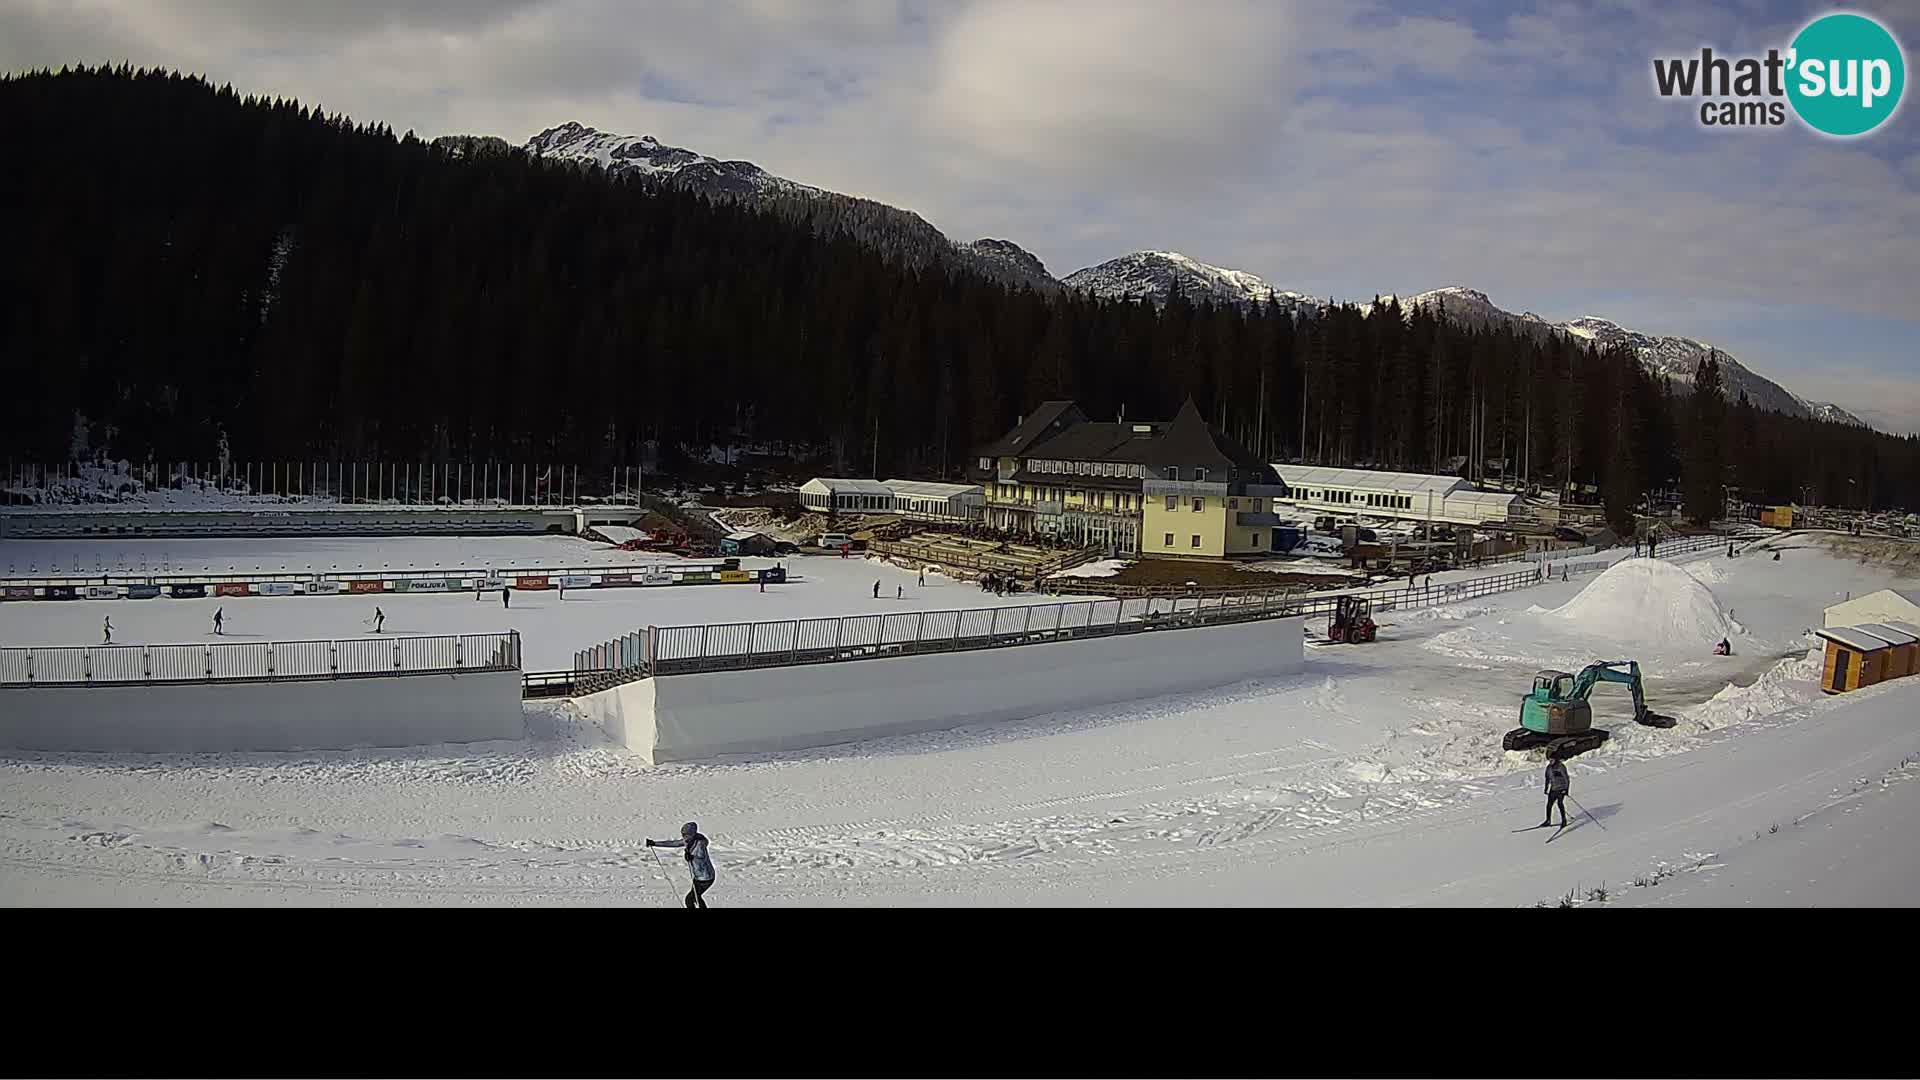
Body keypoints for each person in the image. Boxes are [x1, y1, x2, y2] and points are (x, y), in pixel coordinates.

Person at [646, 822, 716, 909]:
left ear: (692, 834)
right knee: (695, 898)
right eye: (683, 835)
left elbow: (701, 857)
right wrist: (654, 843)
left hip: (706, 878)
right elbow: (674, 843)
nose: (684, 837)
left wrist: (692, 857)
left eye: (686, 835)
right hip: (698, 877)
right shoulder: (689, 841)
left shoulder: (700, 844)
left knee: (690, 899)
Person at [1543, 757, 1571, 828]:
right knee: (1549, 805)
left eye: (1552, 760)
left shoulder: (1561, 766)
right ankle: (1548, 820)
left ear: (1556, 759)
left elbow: (1566, 778)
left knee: (1560, 803)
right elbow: (1547, 778)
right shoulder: (1549, 768)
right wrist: (1546, 788)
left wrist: (1566, 789)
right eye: (1549, 760)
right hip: (1553, 789)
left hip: (1561, 788)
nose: (1550, 761)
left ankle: (1564, 820)